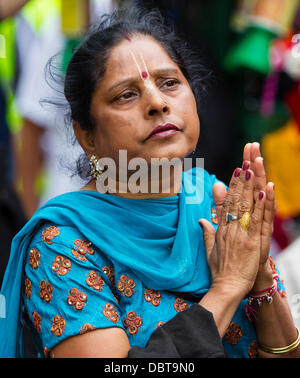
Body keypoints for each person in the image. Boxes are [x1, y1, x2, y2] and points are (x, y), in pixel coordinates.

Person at [0, 6, 299, 359]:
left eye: (170, 83)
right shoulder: (62, 243)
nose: (157, 103)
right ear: (87, 136)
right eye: (126, 94)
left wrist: (260, 276)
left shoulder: (220, 204)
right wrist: (230, 287)